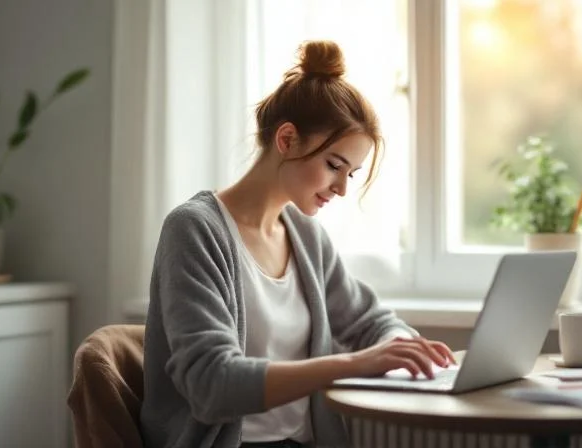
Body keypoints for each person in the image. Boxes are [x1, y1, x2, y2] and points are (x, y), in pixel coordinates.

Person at [140, 40, 456, 448]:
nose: (341, 189)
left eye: (352, 175)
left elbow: (370, 322)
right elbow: (211, 384)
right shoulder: (193, 230)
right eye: (333, 166)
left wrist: (404, 347)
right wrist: (353, 364)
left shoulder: (305, 237)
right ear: (287, 139)